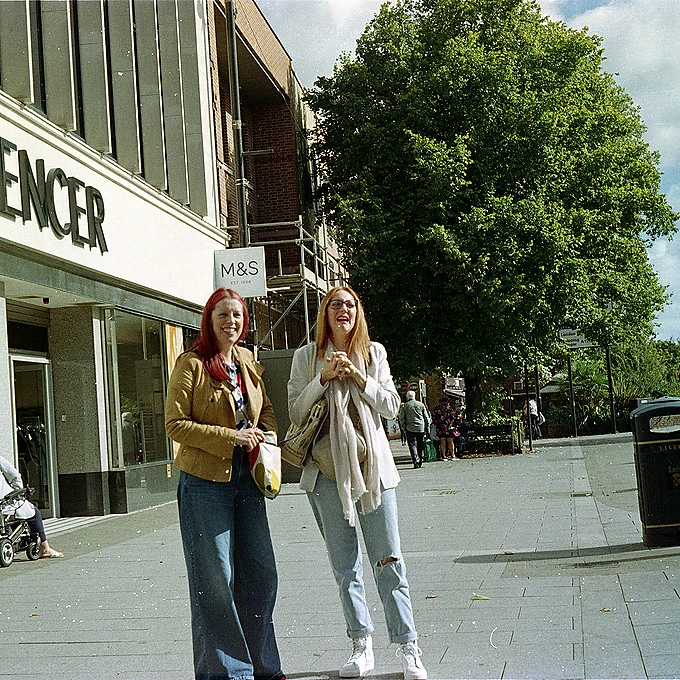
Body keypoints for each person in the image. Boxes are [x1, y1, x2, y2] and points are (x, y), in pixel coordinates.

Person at [287, 286, 427, 680]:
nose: (343, 310)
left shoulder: (374, 353)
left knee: (389, 560)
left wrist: (359, 378)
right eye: (335, 304)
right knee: (345, 567)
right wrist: (323, 378)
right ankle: (361, 644)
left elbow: (392, 406)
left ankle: (408, 646)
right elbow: (295, 412)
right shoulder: (305, 357)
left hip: (373, 471)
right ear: (325, 313)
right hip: (325, 473)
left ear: (357, 313)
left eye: (350, 304)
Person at [165, 288, 285, 680]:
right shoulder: (191, 363)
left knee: (261, 573)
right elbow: (175, 424)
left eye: (236, 315)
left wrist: (266, 435)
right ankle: (228, 672)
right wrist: (231, 437)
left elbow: (265, 409)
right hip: (204, 483)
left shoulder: (246, 360)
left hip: (248, 479)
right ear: (209, 320)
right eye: (222, 315)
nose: (230, 322)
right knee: (216, 579)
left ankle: (264, 667)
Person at [0, 455, 63, 558]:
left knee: (7, 524)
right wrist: (20, 496)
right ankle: (45, 548)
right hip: (6, 504)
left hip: (5, 507)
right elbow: (14, 475)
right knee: (33, 511)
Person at [398, 391, 430, 469]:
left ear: (407, 397)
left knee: (412, 444)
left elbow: (401, 418)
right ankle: (420, 460)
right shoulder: (421, 405)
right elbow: (426, 417)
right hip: (420, 427)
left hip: (410, 428)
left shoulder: (404, 406)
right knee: (420, 445)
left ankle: (415, 459)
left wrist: (403, 428)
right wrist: (427, 427)